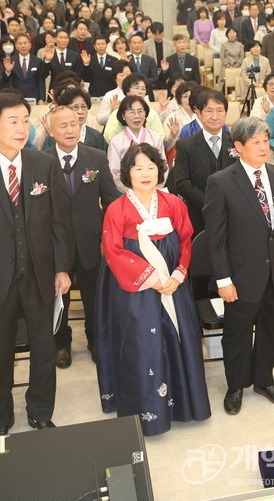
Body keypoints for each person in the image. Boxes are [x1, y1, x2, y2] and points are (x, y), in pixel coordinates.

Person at [0, 93, 72, 437]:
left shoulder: (43, 163)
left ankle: (39, 412)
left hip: (38, 273)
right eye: (12, 121)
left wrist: (62, 267)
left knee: (43, 348)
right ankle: (0, 419)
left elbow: (57, 221)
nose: (21, 128)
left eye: (25, 120)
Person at [96, 143, 212, 435]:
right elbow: (113, 251)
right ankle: (149, 411)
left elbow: (186, 240)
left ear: (160, 170)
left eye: (151, 167)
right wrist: (151, 277)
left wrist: (177, 274)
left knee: (178, 338)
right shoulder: (116, 208)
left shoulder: (173, 203)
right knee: (142, 345)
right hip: (134, 290)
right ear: (127, 173)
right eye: (138, 168)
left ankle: (184, 404)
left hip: (173, 285)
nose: (145, 173)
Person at [203, 117, 274, 415]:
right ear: (238, 147)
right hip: (240, 274)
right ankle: (236, 385)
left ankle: (263, 379)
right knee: (237, 331)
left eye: (266, 140)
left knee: (270, 327)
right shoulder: (221, 182)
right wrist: (223, 279)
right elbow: (216, 238)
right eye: (256, 142)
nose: (264, 147)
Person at [45, 105, 118, 369]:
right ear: (50, 130)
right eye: (62, 125)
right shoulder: (40, 161)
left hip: (92, 242)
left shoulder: (96, 157)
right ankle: (61, 345)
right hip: (56, 245)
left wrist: (108, 238)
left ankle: (96, 341)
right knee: (58, 299)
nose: (69, 129)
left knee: (94, 298)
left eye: (74, 123)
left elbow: (111, 201)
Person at [172, 89, 235, 234]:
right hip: (198, 214)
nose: (214, 116)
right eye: (208, 111)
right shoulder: (186, 145)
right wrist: (209, 203)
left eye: (219, 111)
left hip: (232, 213)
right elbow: (182, 183)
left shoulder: (236, 143)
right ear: (199, 113)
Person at [108, 95, 168, 192]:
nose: (136, 116)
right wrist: (132, 192)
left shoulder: (155, 138)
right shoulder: (116, 141)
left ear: (145, 113)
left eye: (140, 111)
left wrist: (154, 189)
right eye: (131, 112)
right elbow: (114, 172)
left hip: (154, 191)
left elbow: (163, 166)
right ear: (123, 115)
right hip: (127, 193)